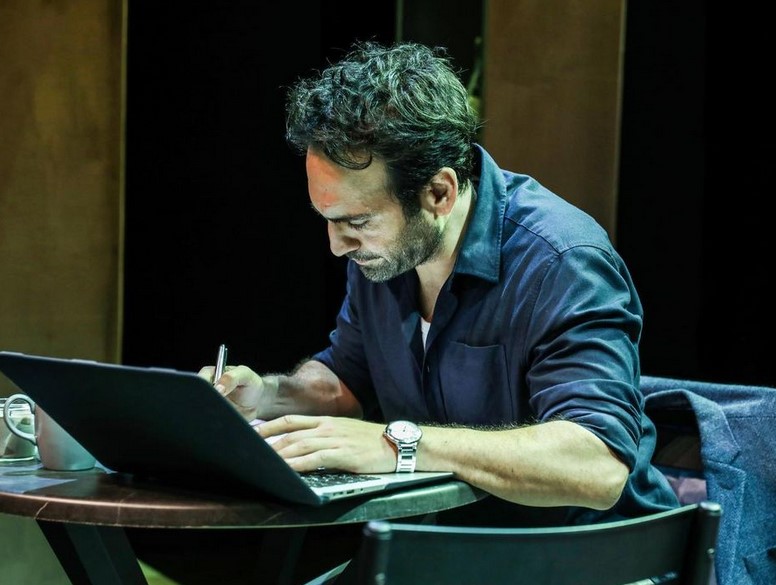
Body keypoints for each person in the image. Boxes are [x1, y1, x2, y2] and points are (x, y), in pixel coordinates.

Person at [200, 40, 679, 526]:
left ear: (438, 192)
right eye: (328, 219)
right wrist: (268, 395)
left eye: (357, 221)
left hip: (583, 549)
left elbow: (597, 466)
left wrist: (397, 444)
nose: (337, 245)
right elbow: (349, 378)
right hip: (451, 537)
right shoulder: (386, 253)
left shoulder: (562, 261)